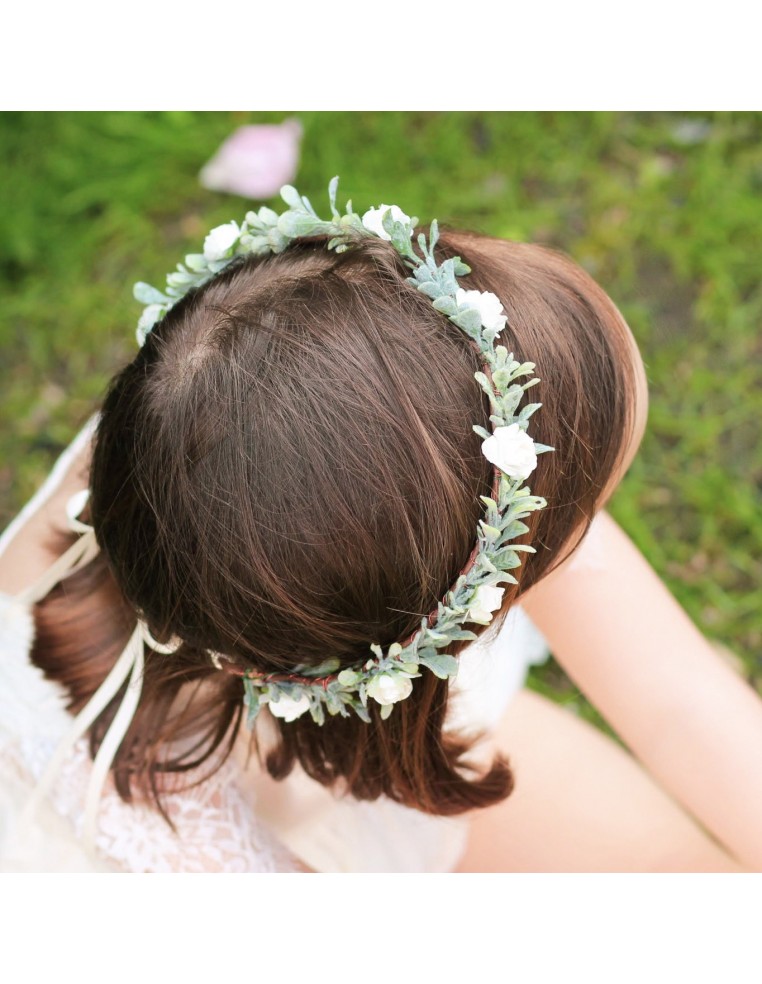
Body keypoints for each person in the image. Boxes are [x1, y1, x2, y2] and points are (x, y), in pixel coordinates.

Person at [0, 182, 759, 873]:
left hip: (350, 742)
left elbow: (679, 700)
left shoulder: (212, 418)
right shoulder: (187, 860)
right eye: (578, 511)